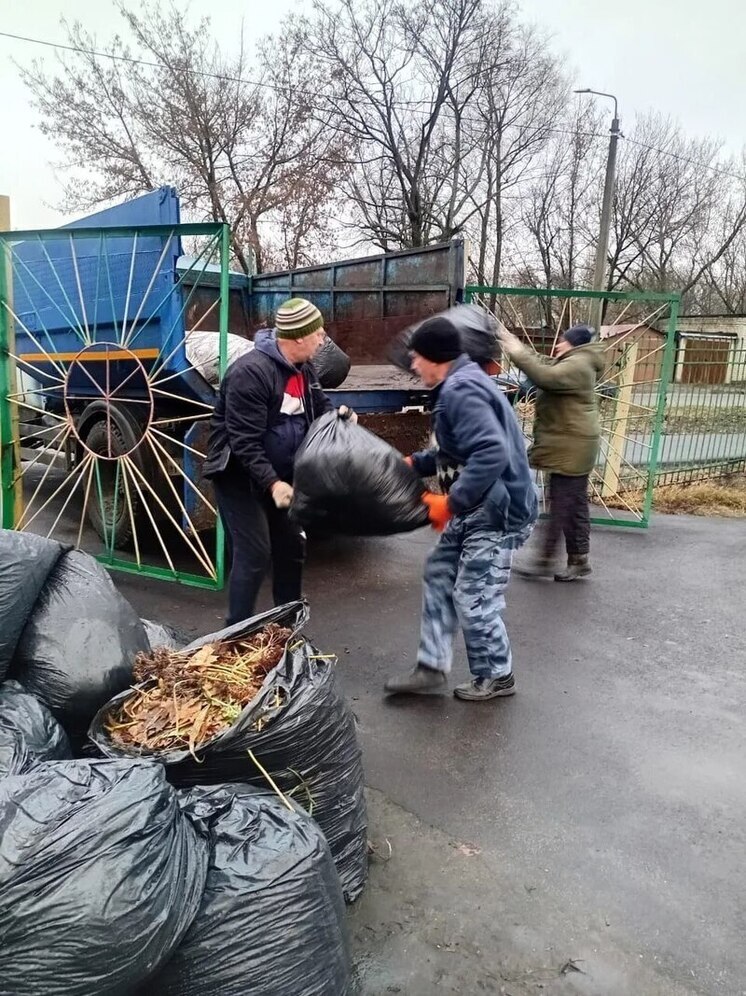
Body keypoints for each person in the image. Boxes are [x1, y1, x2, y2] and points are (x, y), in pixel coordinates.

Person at [384, 317, 537, 702]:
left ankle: (498, 675)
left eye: (417, 358)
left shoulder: (462, 390)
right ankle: (431, 668)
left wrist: (450, 502)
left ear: (435, 358)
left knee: (473, 595)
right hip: (477, 507)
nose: (414, 366)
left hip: (498, 511)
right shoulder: (457, 385)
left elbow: (490, 452)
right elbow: (456, 451)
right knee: (439, 573)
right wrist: (414, 465)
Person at [204, 298, 355, 624]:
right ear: (299, 337)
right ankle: (235, 636)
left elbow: (320, 407)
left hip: (283, 475)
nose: (322, 339)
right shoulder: (250, 373)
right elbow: (243, 442)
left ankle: (284, 631)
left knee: (291, 549)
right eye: (318, 333)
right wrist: (272, 483)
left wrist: (339, 417)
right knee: (255, 554)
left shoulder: (305, 370)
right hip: (239, 476)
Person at [497, 323, 605, 581]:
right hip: (574, 443)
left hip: (572, 445)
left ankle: (544, 560)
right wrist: (516, 346)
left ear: (574, 344)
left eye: (563, 341)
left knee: (561, 503)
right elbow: (544, 362)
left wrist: (516, 351)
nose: (558, 345)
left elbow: (545, 377)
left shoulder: (577, 366)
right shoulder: (576, 361)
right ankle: (579, 559)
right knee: (573, 502)